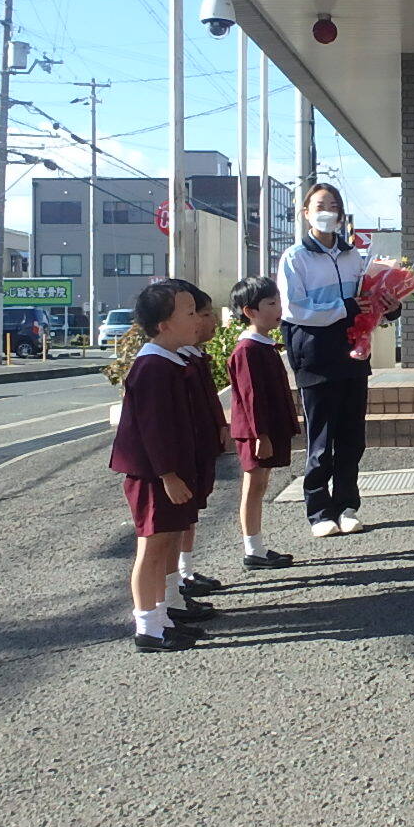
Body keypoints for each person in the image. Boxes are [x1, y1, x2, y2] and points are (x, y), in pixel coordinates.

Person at [278, 183, 382, 539]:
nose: (328, 212)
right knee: (320, 441)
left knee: (352, 438)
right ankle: (319, 511)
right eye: (320, 205)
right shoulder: (295, 258)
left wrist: (387, 306)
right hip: (315, 356)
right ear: (306, 212)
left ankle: (347, 506)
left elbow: (365, 300)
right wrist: (343, 308)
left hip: (353, 354)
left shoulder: (354, 256)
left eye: (334, 206)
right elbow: (294, 309)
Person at [107, 280, 205, 653]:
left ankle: (162, 618)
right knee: (151, 549)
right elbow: (153, 429)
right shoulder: (152, 367)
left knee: (164, 545)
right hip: (155, 476)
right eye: (189, 313)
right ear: (163, 325)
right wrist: (168, 474)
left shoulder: (170, 361)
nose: (197, 320)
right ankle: (147, 626)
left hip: (169, 473)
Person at [228, 275, 298, 571]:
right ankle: (253, 549)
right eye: (271, 303)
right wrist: (261, 434)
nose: (278, 308)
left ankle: (256, 547)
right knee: (254, 486)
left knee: (260, 484)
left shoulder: (263, 345)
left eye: (278, 301)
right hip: (256, 433)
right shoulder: (247, 349)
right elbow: (250, 397)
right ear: (250, 311)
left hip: (264, 430)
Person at [174, 283, 228, 605]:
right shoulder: (174, 362)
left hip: (201, 446)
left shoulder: (195, 357)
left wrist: (220, 426)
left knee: (192, 511)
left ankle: (186, 570)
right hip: (185, 450)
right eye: (202, 314)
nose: (209, 321)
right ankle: (176, 581)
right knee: (180, 516)